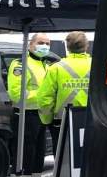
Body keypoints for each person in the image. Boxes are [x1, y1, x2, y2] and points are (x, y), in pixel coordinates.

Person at [6, 32, 59, 177]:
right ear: (31, 44)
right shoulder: (20, 64)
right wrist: (44, 96)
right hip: (25, 116)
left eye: (47, 43)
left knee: (37, 159)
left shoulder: (45, 64)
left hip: (41, 116)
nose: (44, 46)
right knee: (24, 158)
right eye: (40, 42)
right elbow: (16, 94)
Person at [36, 31, 92, 160]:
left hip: (61, 122)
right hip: (90, 120)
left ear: (67, 47)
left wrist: (47, 120)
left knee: (63, 161)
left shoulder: (56, 68)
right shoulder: (96, 66)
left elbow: (44, 98)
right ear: (86, 46)